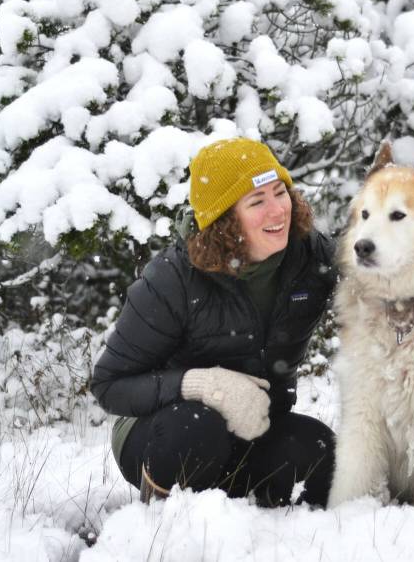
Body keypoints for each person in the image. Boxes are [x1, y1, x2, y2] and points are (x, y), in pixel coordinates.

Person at [90, 138, 337, 507]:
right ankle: (160, 525)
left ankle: (253, 521)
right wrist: (202, 384)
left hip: (255, 424)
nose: (277, 211)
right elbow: (109, 386)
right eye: (257, 201)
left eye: (279, 192)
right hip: (162, 429)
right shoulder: (172, 279)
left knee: (320, 450)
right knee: (196, 431)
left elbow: (380, 279)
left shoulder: (310, 256)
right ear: (224, 220)